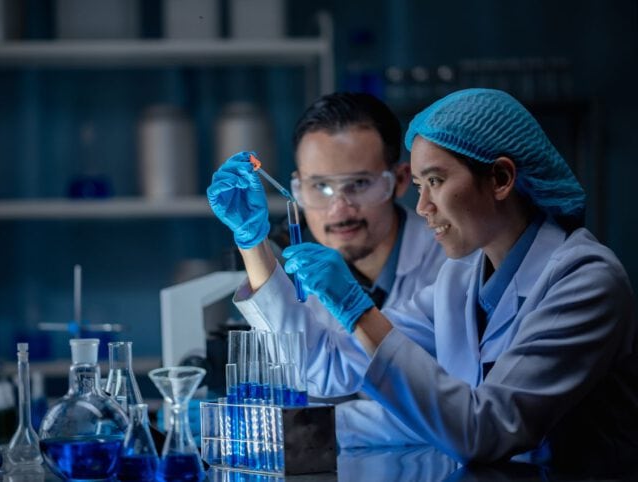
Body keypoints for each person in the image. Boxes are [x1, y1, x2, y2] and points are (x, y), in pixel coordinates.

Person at [263, 88, 637, 469]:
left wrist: (357, 310)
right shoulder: (461, 278)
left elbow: (484, 430)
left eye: (436, 182)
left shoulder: (585, 280)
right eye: (422, 187)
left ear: (501, 178)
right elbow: (333, 367)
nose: (423, 207)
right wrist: (252, 245)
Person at [207, 92, 446, 447]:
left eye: (359, 184)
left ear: (398, 180)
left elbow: (443, 408)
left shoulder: (448, 264)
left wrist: (304, 426)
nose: (339, 210)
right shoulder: (304, 270)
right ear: (297, 188)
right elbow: (310, 375)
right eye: (320, 186)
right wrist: (251, 242)